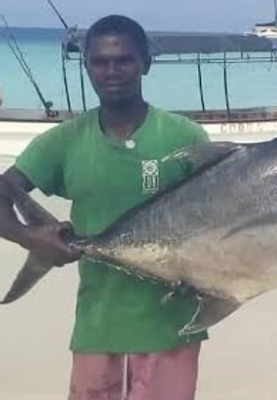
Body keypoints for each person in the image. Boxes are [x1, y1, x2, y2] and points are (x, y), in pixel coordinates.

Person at [0, 15, 209, 400]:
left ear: (145, 63)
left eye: (124, 60)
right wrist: (27, 236)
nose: (111, 71)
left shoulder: (185, 137)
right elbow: (4, 189)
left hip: (172, 327)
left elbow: (219, 214)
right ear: (87, 66)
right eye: (99, 61)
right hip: (98, 327)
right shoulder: (64, 141)